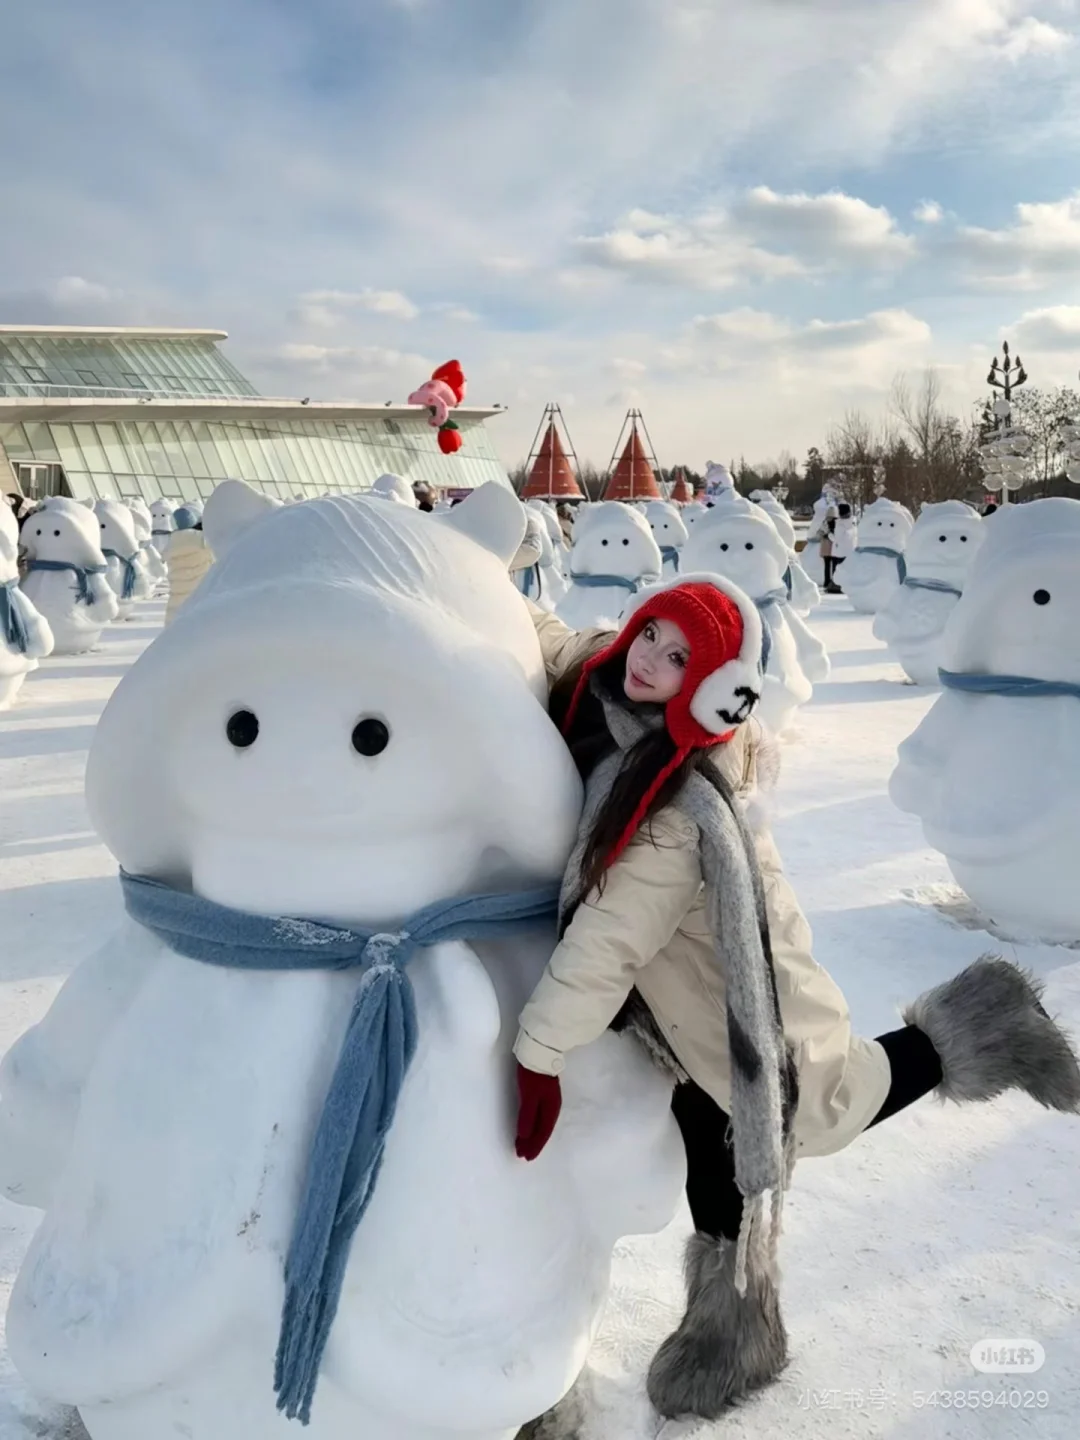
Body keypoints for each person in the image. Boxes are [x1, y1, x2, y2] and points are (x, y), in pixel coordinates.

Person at [515, 578, 1080, 1426]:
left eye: (679, 660)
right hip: (688, 1013)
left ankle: (985, 1019)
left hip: (754, 1009)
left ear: (711, 690)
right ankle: (734, 1325)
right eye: (651, 635)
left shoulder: (679, 812)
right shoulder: (605, 683)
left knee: (820, 1110)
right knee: (715, 1138)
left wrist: (538, 1055)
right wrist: (476, 578)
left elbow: (606, 946)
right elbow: (557, 641)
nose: (649, 663)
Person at [163, 513, 214, 626]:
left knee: (175, 616)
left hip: (177, 588)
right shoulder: (202, 540)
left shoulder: (171, 542)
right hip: (199, 588)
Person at [818, 505, 838, 591]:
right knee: (834, 566)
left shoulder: (824, 522)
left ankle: (826, 581)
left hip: (825, 546)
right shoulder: (836, 523)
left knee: (826, 566)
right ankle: (834, 582)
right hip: (833, 547)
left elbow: (819, 533)